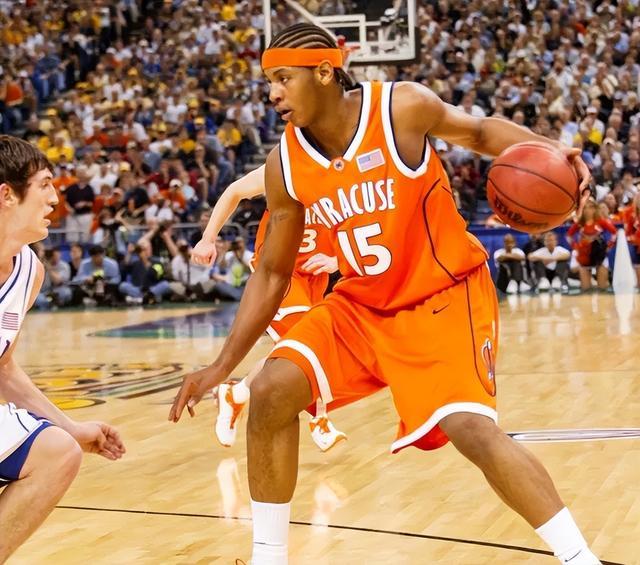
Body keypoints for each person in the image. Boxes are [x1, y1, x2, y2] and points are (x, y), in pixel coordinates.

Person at [170, 24, 598, 565]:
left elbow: (478, 132)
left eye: (283, 78)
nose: (272, 93)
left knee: (470, 427)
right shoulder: (285, 164)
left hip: (442, 294)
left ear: (324, 72)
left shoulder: (400, 108)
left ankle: (579, 558)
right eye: (269, 82)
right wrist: (220, 366)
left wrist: (553, 151)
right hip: (363, 304)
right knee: (272, 391)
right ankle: (268, 559)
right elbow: (273, 273)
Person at [0, 135, 125, 562]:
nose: (55, 198)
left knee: (59, 451)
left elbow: (4, 368)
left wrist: (72, 427)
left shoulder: (29, 270)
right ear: (7, 195)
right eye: (45, 185)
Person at [191, 165, 345, 451]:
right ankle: (319, 418)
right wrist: (208, 238)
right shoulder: (285, 165)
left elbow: (359, 222)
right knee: (312, 344)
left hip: (314, 275)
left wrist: (339, 259)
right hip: (278, 271)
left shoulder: (344, 171)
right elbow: (234, 191)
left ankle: (236, 394)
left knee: (291, 353)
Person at [566, 198, 617, 292]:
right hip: (585, 256)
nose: (587, 210)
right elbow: (568, 236)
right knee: (585, 289)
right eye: (585, 207)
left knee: (602, 288)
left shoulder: (601, 221)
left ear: (595, 209)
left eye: (590, 207)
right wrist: (575, 247)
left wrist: (609, 246)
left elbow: (614, 233)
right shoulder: (580, 223)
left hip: (599, 256)